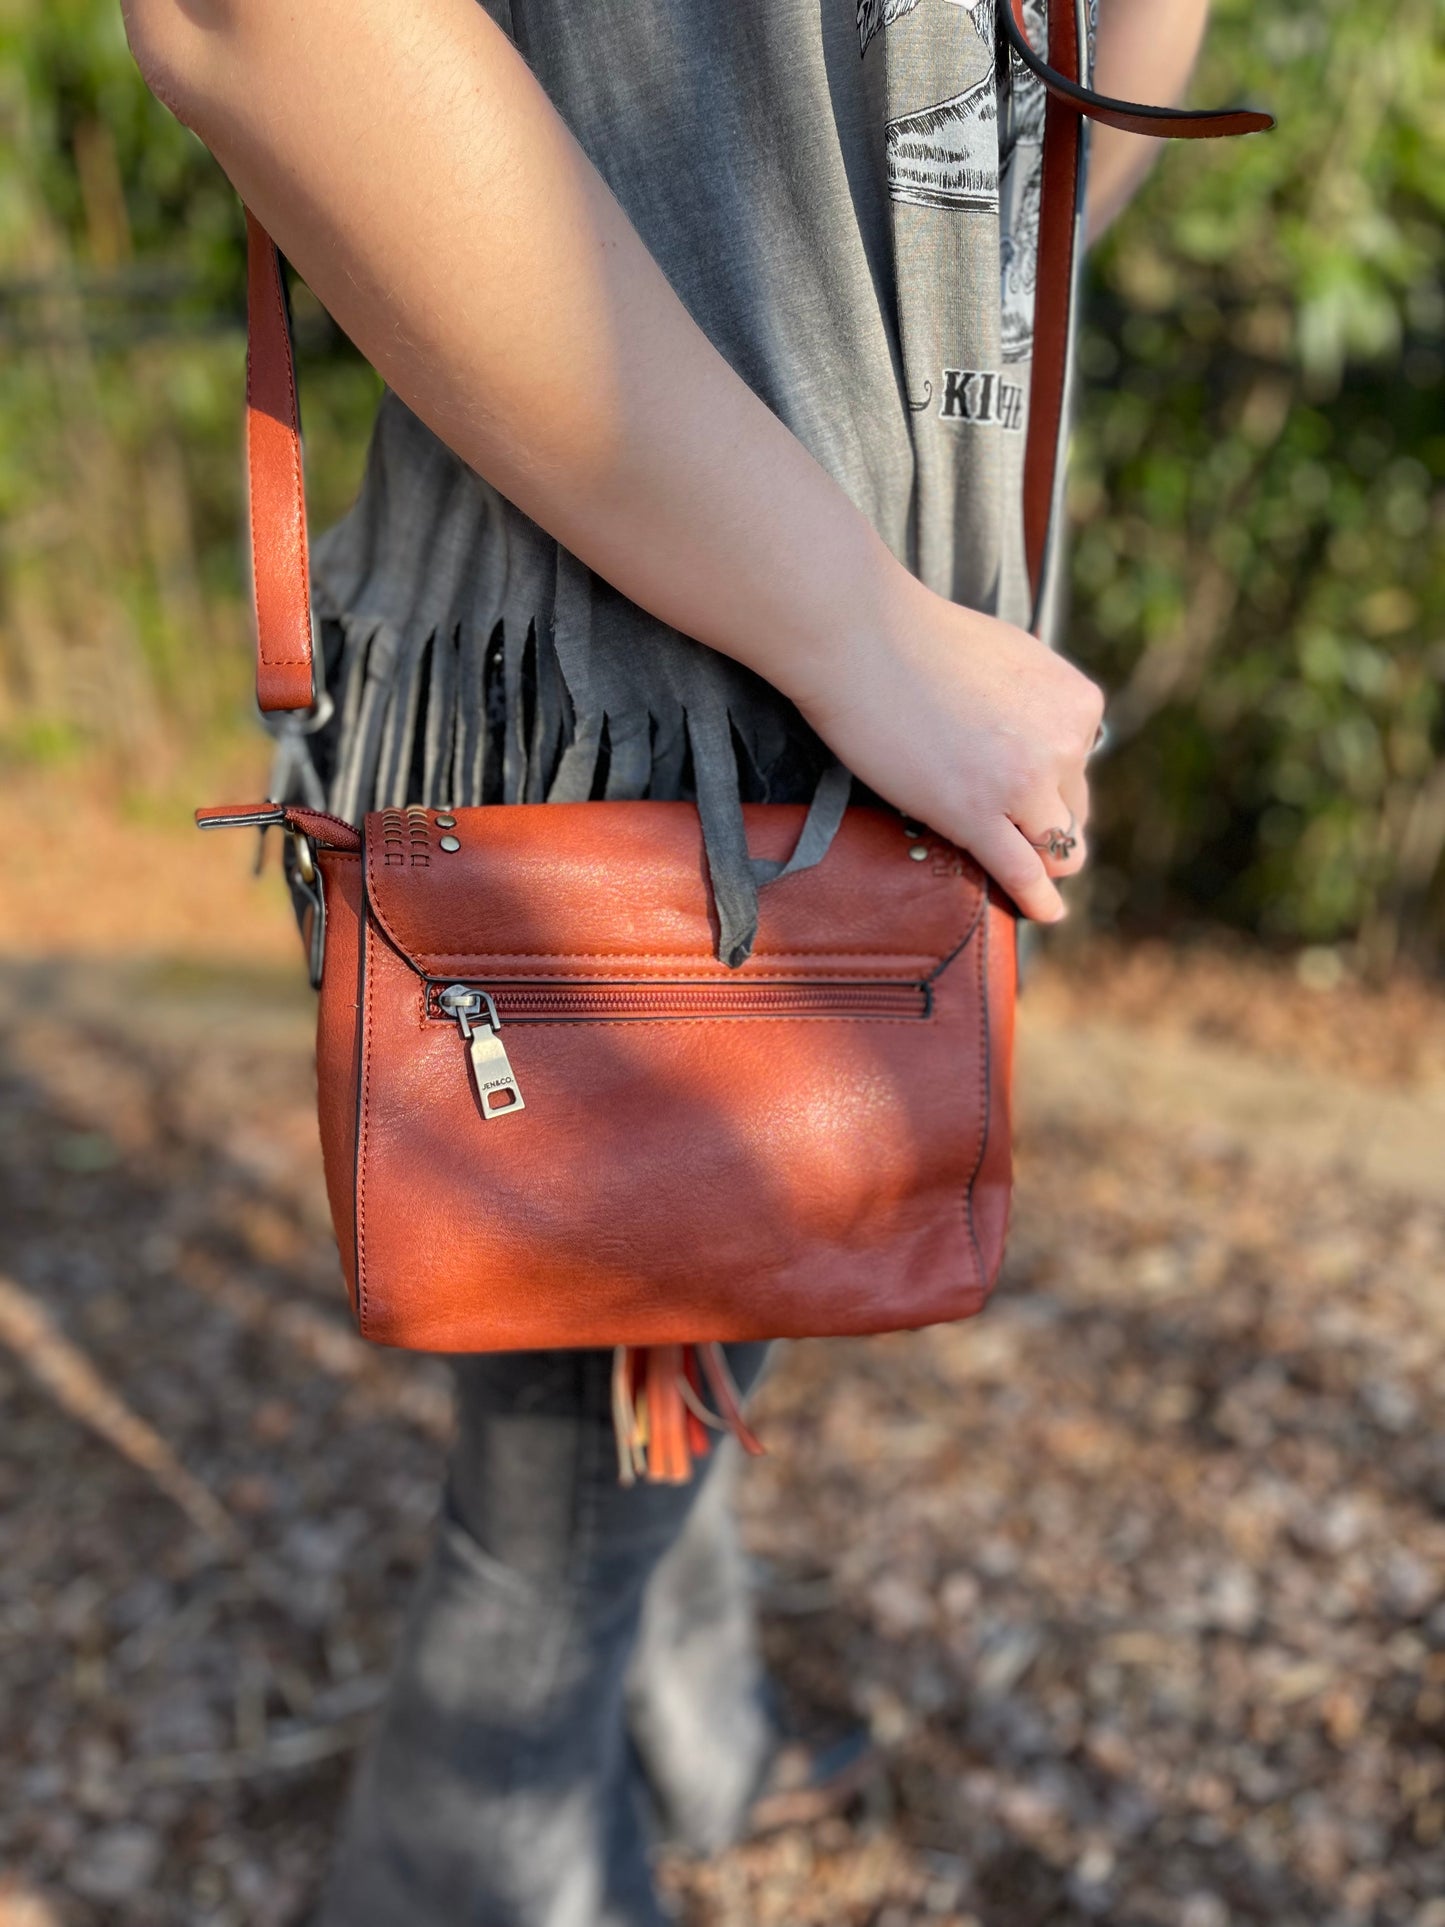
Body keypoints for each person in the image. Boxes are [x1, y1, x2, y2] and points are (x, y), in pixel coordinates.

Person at [122, 1, 1216, 1920]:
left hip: (869, 618)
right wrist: (859, 631)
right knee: (555, 1495)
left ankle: (687, 1711)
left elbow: (1009, 153)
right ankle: (469, 1863)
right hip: (627, 652)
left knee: (707, 1270)